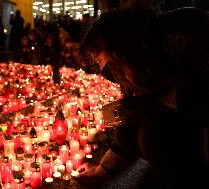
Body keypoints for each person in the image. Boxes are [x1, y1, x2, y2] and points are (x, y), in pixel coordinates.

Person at [77, 7, 209, 189]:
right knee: (125, 125)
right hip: (185, 109)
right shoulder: (124, 67)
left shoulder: (176, 38)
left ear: (115, 43)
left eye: (97, 57)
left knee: (153, 133)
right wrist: (101, 171)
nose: (100, 68)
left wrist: (159, 99)